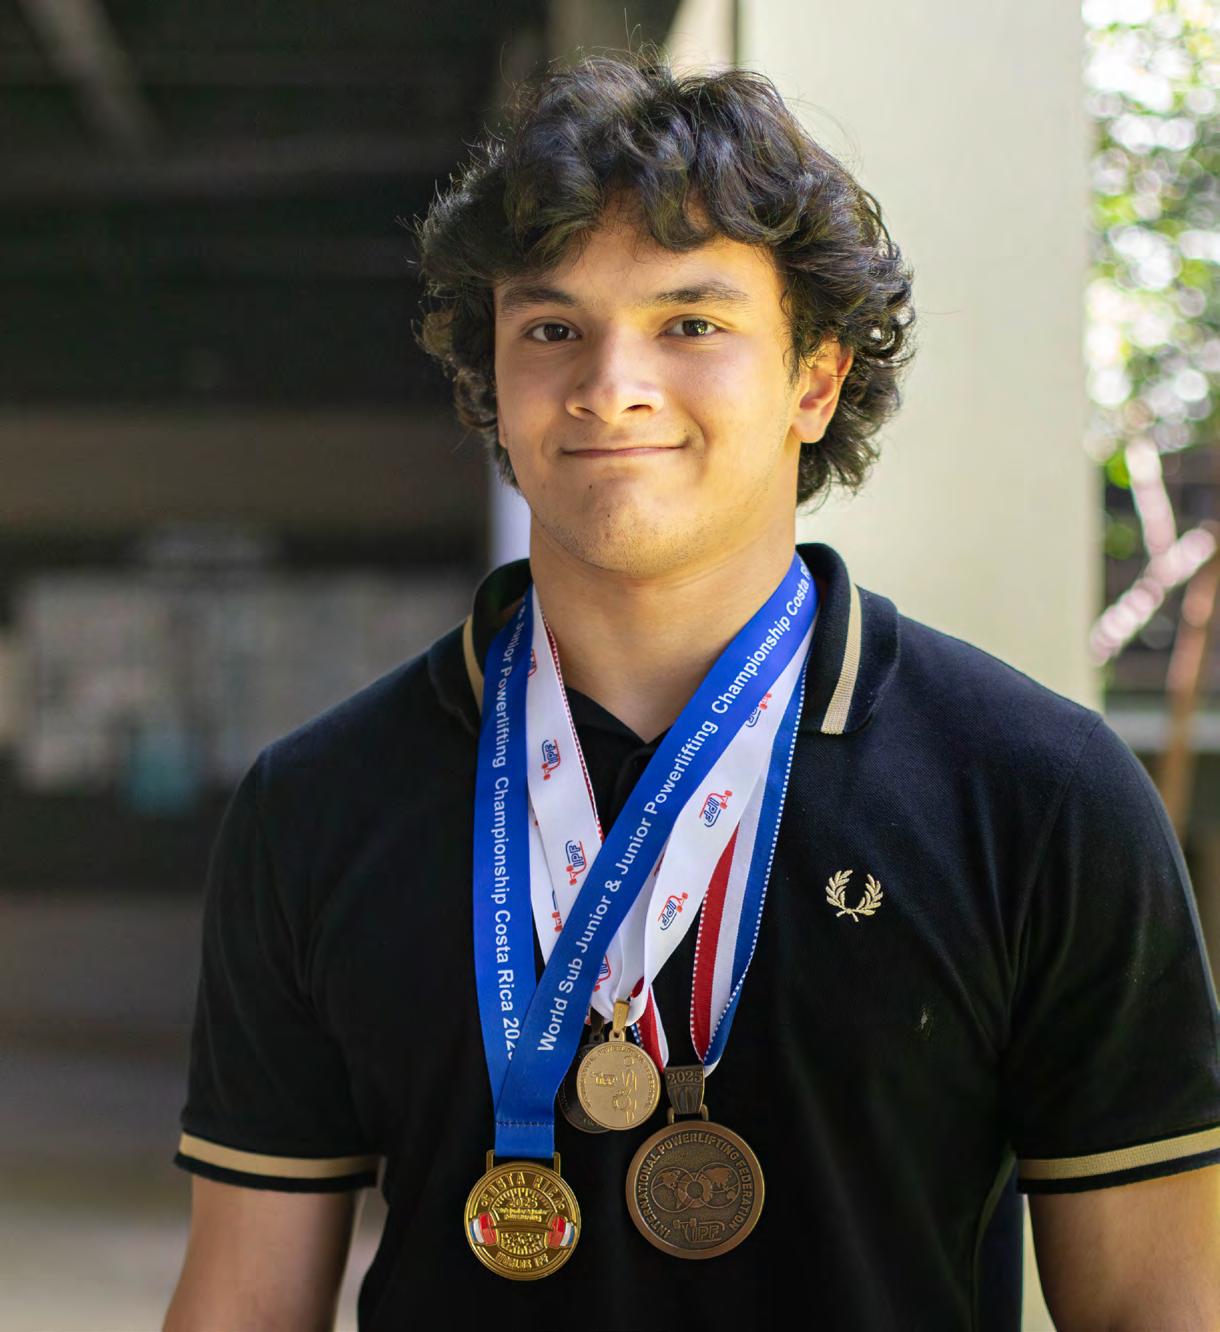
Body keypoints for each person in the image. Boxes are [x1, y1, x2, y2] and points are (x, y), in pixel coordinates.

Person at [162, 45, 1220, 1332]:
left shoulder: (1039, 794)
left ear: (814, 381)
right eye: (550, 328)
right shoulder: (317, 803)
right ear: (492, 377)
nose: (609, 387)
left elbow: (1158, 1306)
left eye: (690, 324)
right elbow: (243, 1302)